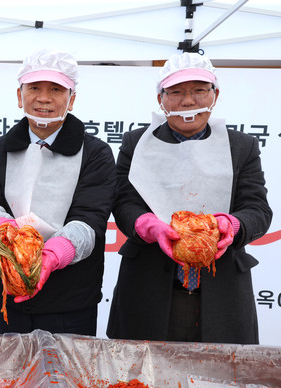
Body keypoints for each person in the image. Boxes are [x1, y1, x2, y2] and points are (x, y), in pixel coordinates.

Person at [107, 52, 272, 344]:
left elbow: (257, 209)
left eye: (199, 90)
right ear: (161, 98)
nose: (188, 101)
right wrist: (148, 225)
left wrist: (230, 226)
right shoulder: (138, 143)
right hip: (149, 288)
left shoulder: (240, 147)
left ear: (215, 95)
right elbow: (123, 202)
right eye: (177, 92)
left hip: (222, 294)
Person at [0, 48, 116, 335]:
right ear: (19, 95)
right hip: (11, 295)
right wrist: (1, 229)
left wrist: (52, 255)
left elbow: (90, 218)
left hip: (73, 299)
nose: (44, 98)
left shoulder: (96, 153)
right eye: (34, 88)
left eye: (56, 89)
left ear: (71, 99)